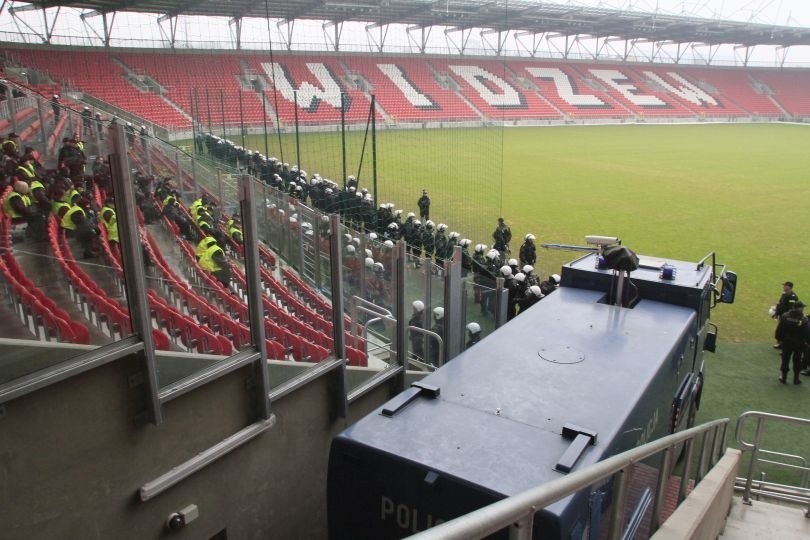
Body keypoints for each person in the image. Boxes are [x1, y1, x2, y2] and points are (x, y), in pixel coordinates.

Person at [774, 302, 809, 385]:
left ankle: (784, 377)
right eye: (801, 307)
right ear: (798, 308)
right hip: (799, 344)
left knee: (785, 360)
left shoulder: (785, 316)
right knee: (797, 360)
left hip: (787, 342)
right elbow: (806, 333)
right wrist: (806, 342)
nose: (802, 309)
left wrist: (779, 338)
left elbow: (779, 329)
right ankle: (796, 379)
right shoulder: (803, 319)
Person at [773, 281, 799, 349]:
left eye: (785, 285)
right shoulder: (784, 294)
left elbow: (790, 308)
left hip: (788, 318)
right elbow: (780, 304)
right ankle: (780, 344)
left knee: (785, 331)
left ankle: (784, 346)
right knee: (780, 330)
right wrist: (776, 312)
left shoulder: (793, 297)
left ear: (789, 287)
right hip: (782, 316)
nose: (783, 287)